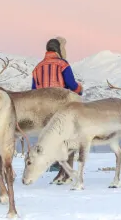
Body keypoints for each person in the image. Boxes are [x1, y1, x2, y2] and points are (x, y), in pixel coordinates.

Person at [31, 36, 83, 172]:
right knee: (64, 135)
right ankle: (63, 165)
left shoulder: (37, 68)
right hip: (60, 106)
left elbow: (33, 91)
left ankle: (50, 163)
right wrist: (80, 89)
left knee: (48, 135)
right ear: (59, 49)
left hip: (43, 109)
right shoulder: (63, 64)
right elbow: (71, 85)